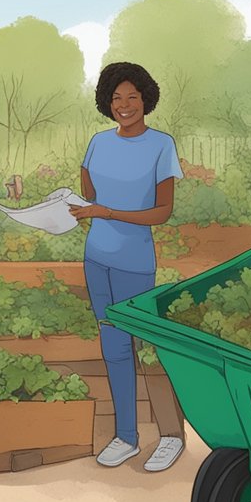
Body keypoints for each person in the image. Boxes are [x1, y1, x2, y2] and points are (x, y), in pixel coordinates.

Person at [73, 62, 186, 472]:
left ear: (146, 100)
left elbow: (162, 212)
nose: (124, 105)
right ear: (107, 102)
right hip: (96, 258)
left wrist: (108, 211)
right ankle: (127, 436)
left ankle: (171, 436)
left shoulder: (161, 145)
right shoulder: (98, 143)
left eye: (132, 97)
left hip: (135, 263)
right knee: (114, 349)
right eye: (117, 98)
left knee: (148, 349)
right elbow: (87, 195)